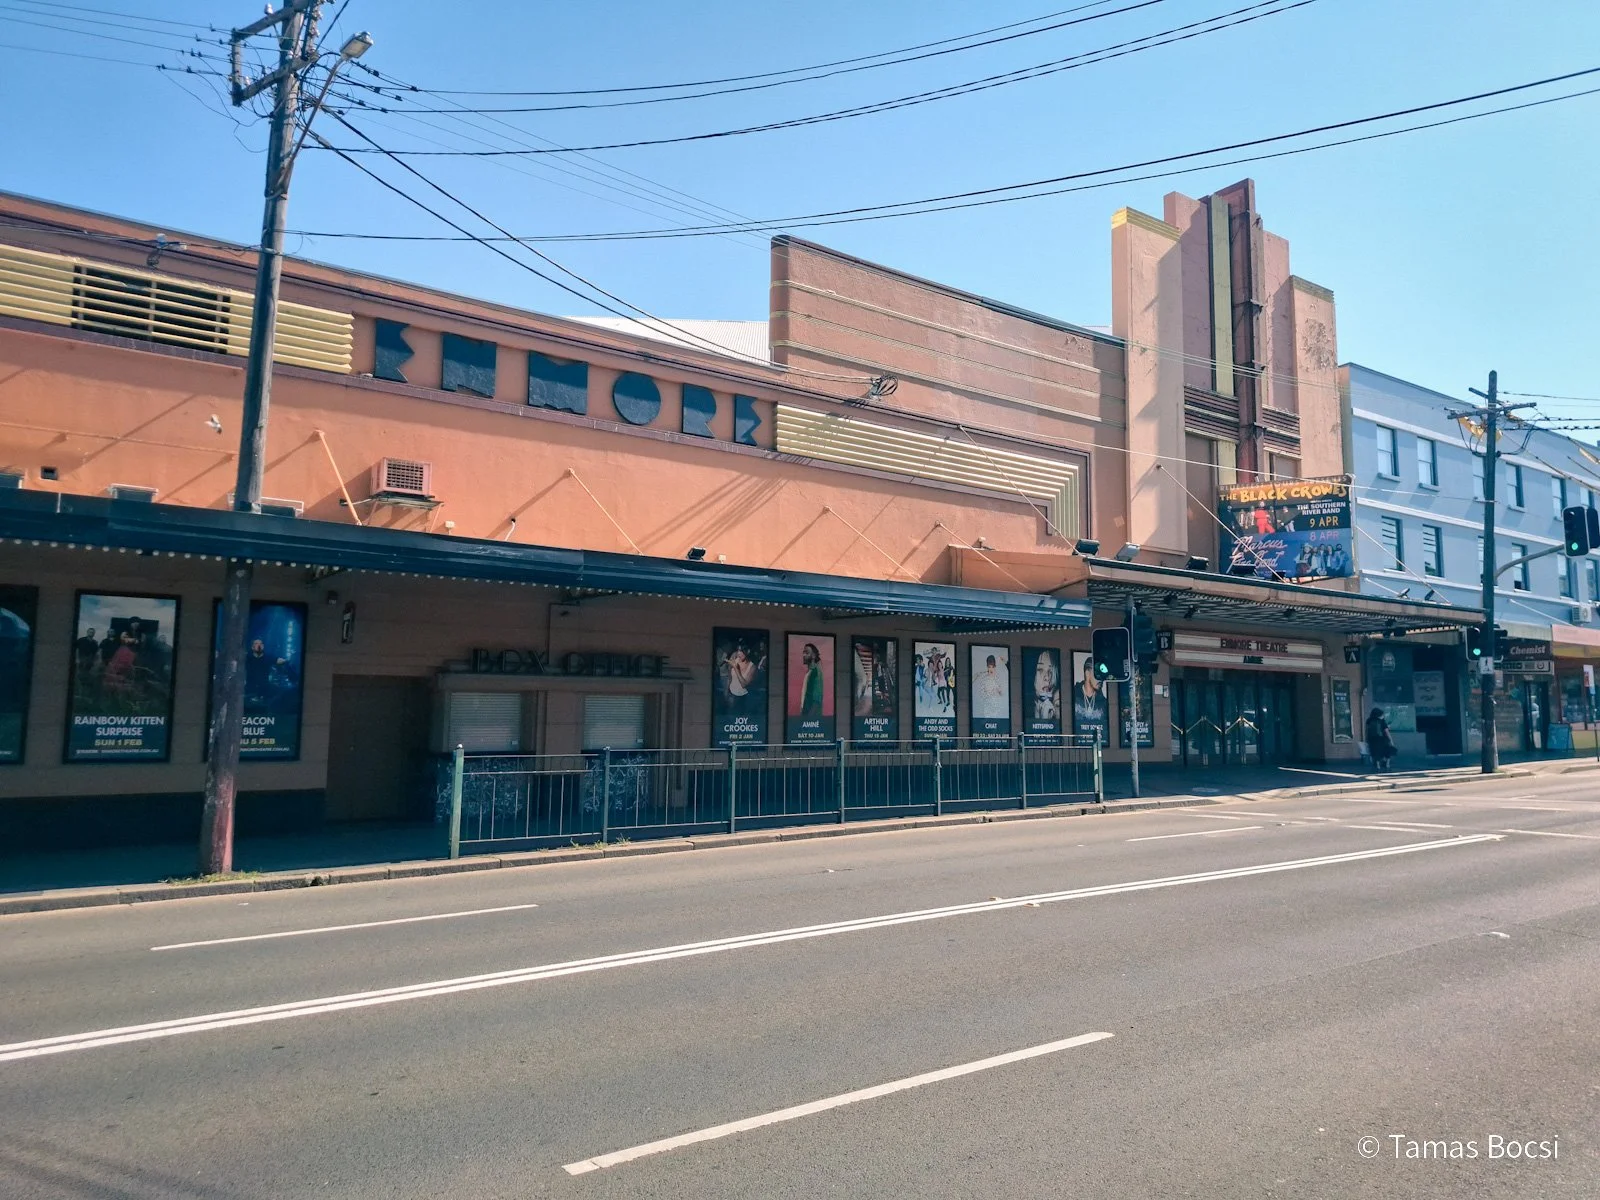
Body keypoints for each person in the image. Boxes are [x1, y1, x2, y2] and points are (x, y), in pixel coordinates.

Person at [1365, 707, 1396, 772]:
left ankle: (1378, 765)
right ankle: (1387, 764)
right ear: (1379, 715)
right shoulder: (1382, 721)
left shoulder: (1369, 721)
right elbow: (1387, 732)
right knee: (1388, 751)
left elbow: (1367, 730)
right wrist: (1391, 741)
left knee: (1376, 753)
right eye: (1382, 714)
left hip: (1372, 740)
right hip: (1382, 739)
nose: (1383, 716)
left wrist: (1367, 739)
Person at [798, 642, 824, 720]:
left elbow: (817, 700)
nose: (804, 655)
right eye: (803, 652)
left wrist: (809, 719)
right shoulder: (809, 672)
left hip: (812, 717)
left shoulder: (816, 672)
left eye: (807, 653)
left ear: (813, 656)